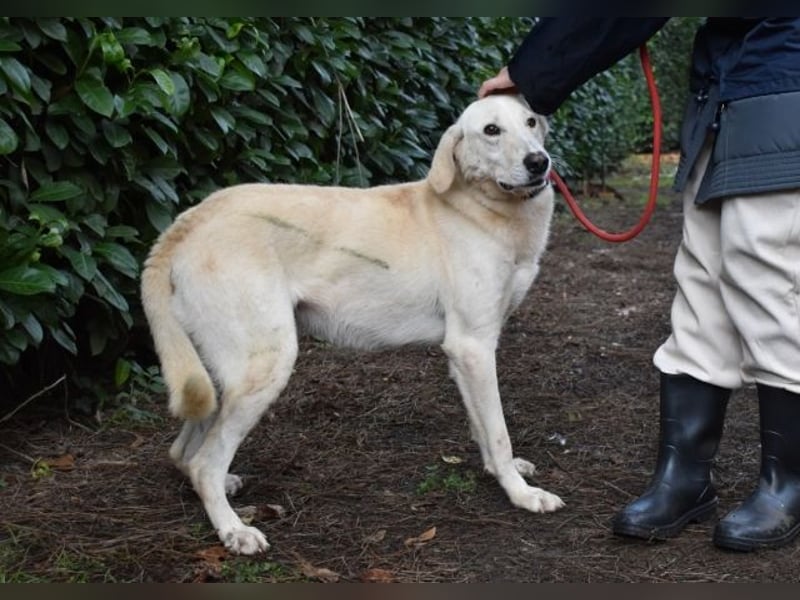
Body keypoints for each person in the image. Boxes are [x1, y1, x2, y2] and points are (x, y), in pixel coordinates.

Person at [479, 17, 800, 552]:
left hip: (783, 79)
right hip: (729, 84)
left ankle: (787, 485)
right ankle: (685, 478)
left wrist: (530, 70)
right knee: (703, 277)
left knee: (770, 278)